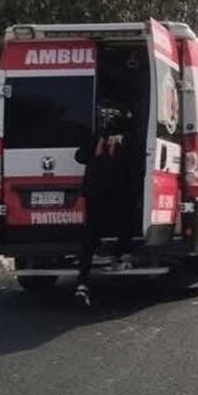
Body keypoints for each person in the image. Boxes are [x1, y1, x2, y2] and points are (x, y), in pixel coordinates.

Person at [73, 118, 138, 306]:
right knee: (124, 223)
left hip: (95, 194)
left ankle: (82, 282)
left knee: (90, 236)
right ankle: (121, 255)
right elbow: (135, 164)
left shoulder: (96, 141)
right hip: (117, 194)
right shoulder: (127, 142)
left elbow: (79, 157)